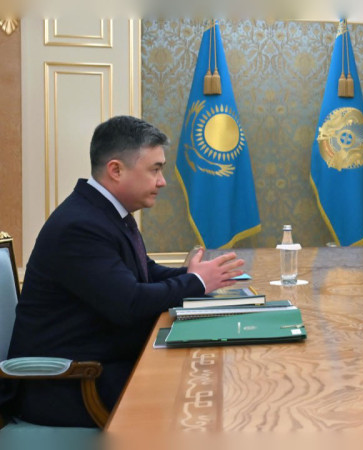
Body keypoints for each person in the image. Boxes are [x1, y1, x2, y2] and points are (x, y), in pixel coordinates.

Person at [1, 116, 245, 427]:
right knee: (199, 398)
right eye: (155, 169)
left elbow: (143, 272)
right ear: (116, 170)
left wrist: (191, 275)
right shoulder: (80, 226)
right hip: (69, 384)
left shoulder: (103, 212)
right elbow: (129, 303)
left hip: (103, 366)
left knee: (208, 378)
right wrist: (195, 282)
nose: (162, 181)